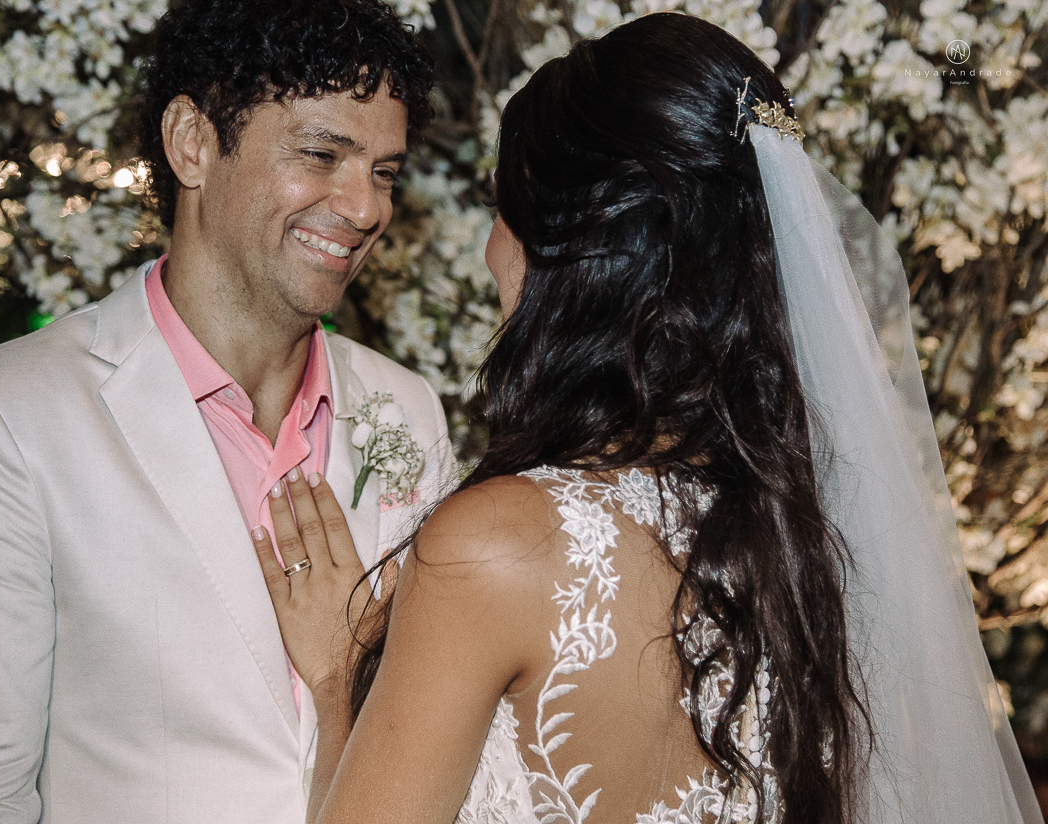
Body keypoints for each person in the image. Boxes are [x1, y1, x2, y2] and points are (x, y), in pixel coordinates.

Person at [252, 12, 1044, 824]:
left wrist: (338, 676)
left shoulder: (494, 546)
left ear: (572, 247)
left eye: (506, 204)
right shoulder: (810, 545)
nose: (491, 246)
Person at [0, 0, 455, 821]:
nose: (365, 207)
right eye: (322, 154)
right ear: (193, 142)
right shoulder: (6, 416)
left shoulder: (408, 412)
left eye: (383, 171)